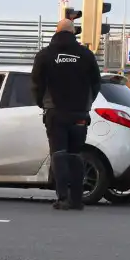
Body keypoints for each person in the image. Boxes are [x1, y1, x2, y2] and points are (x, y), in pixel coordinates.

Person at [31, 19, 101, 210]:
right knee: (76, 154)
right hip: (79, 113)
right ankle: (77, 200)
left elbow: (36, 83)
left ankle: (63, 198)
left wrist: (42, 104)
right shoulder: (86, 55)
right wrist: (86, 104)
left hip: (55, 111)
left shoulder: (45, 55)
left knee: (59, 154)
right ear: (73, 33)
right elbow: (96, 83)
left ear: (56, 31)